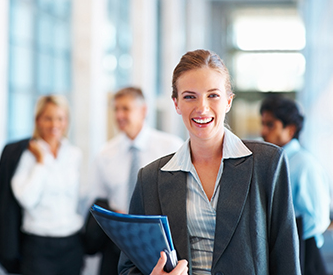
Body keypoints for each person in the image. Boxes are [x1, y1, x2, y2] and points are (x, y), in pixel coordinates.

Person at [118, 49, 301, 275]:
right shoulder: (151, 178)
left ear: (228, 101)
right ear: (176, 104)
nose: (202, 108)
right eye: (189, 96)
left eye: (213, 95)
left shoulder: (267, 163)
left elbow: (286, 259)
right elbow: (128, 266)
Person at [85, 86, 184, 275]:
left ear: (143, 110)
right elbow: (98, 199)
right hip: (117, 242)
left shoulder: (170, 147)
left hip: (157, 244)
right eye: (116, 109)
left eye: (126, 108)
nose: (119, 115)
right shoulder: (105, 154)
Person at [0, 95, 85, 275]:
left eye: (60, 118)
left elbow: (81, 198)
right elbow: (27, 199)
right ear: (38, 120)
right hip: (39, 246)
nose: (55, 124)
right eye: (48, 118)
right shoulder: (26, 155)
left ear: (66, 121)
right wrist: (41, 162)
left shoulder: (74, 154)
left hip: (71, 244)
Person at [260, 94, 331, 275]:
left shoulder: (304, 164)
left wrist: (286, 238)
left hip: (304, 254)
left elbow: (319, 218)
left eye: (270, 125)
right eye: (263, 124)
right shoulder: (271, 161)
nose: (263, 131)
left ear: (290, 129)